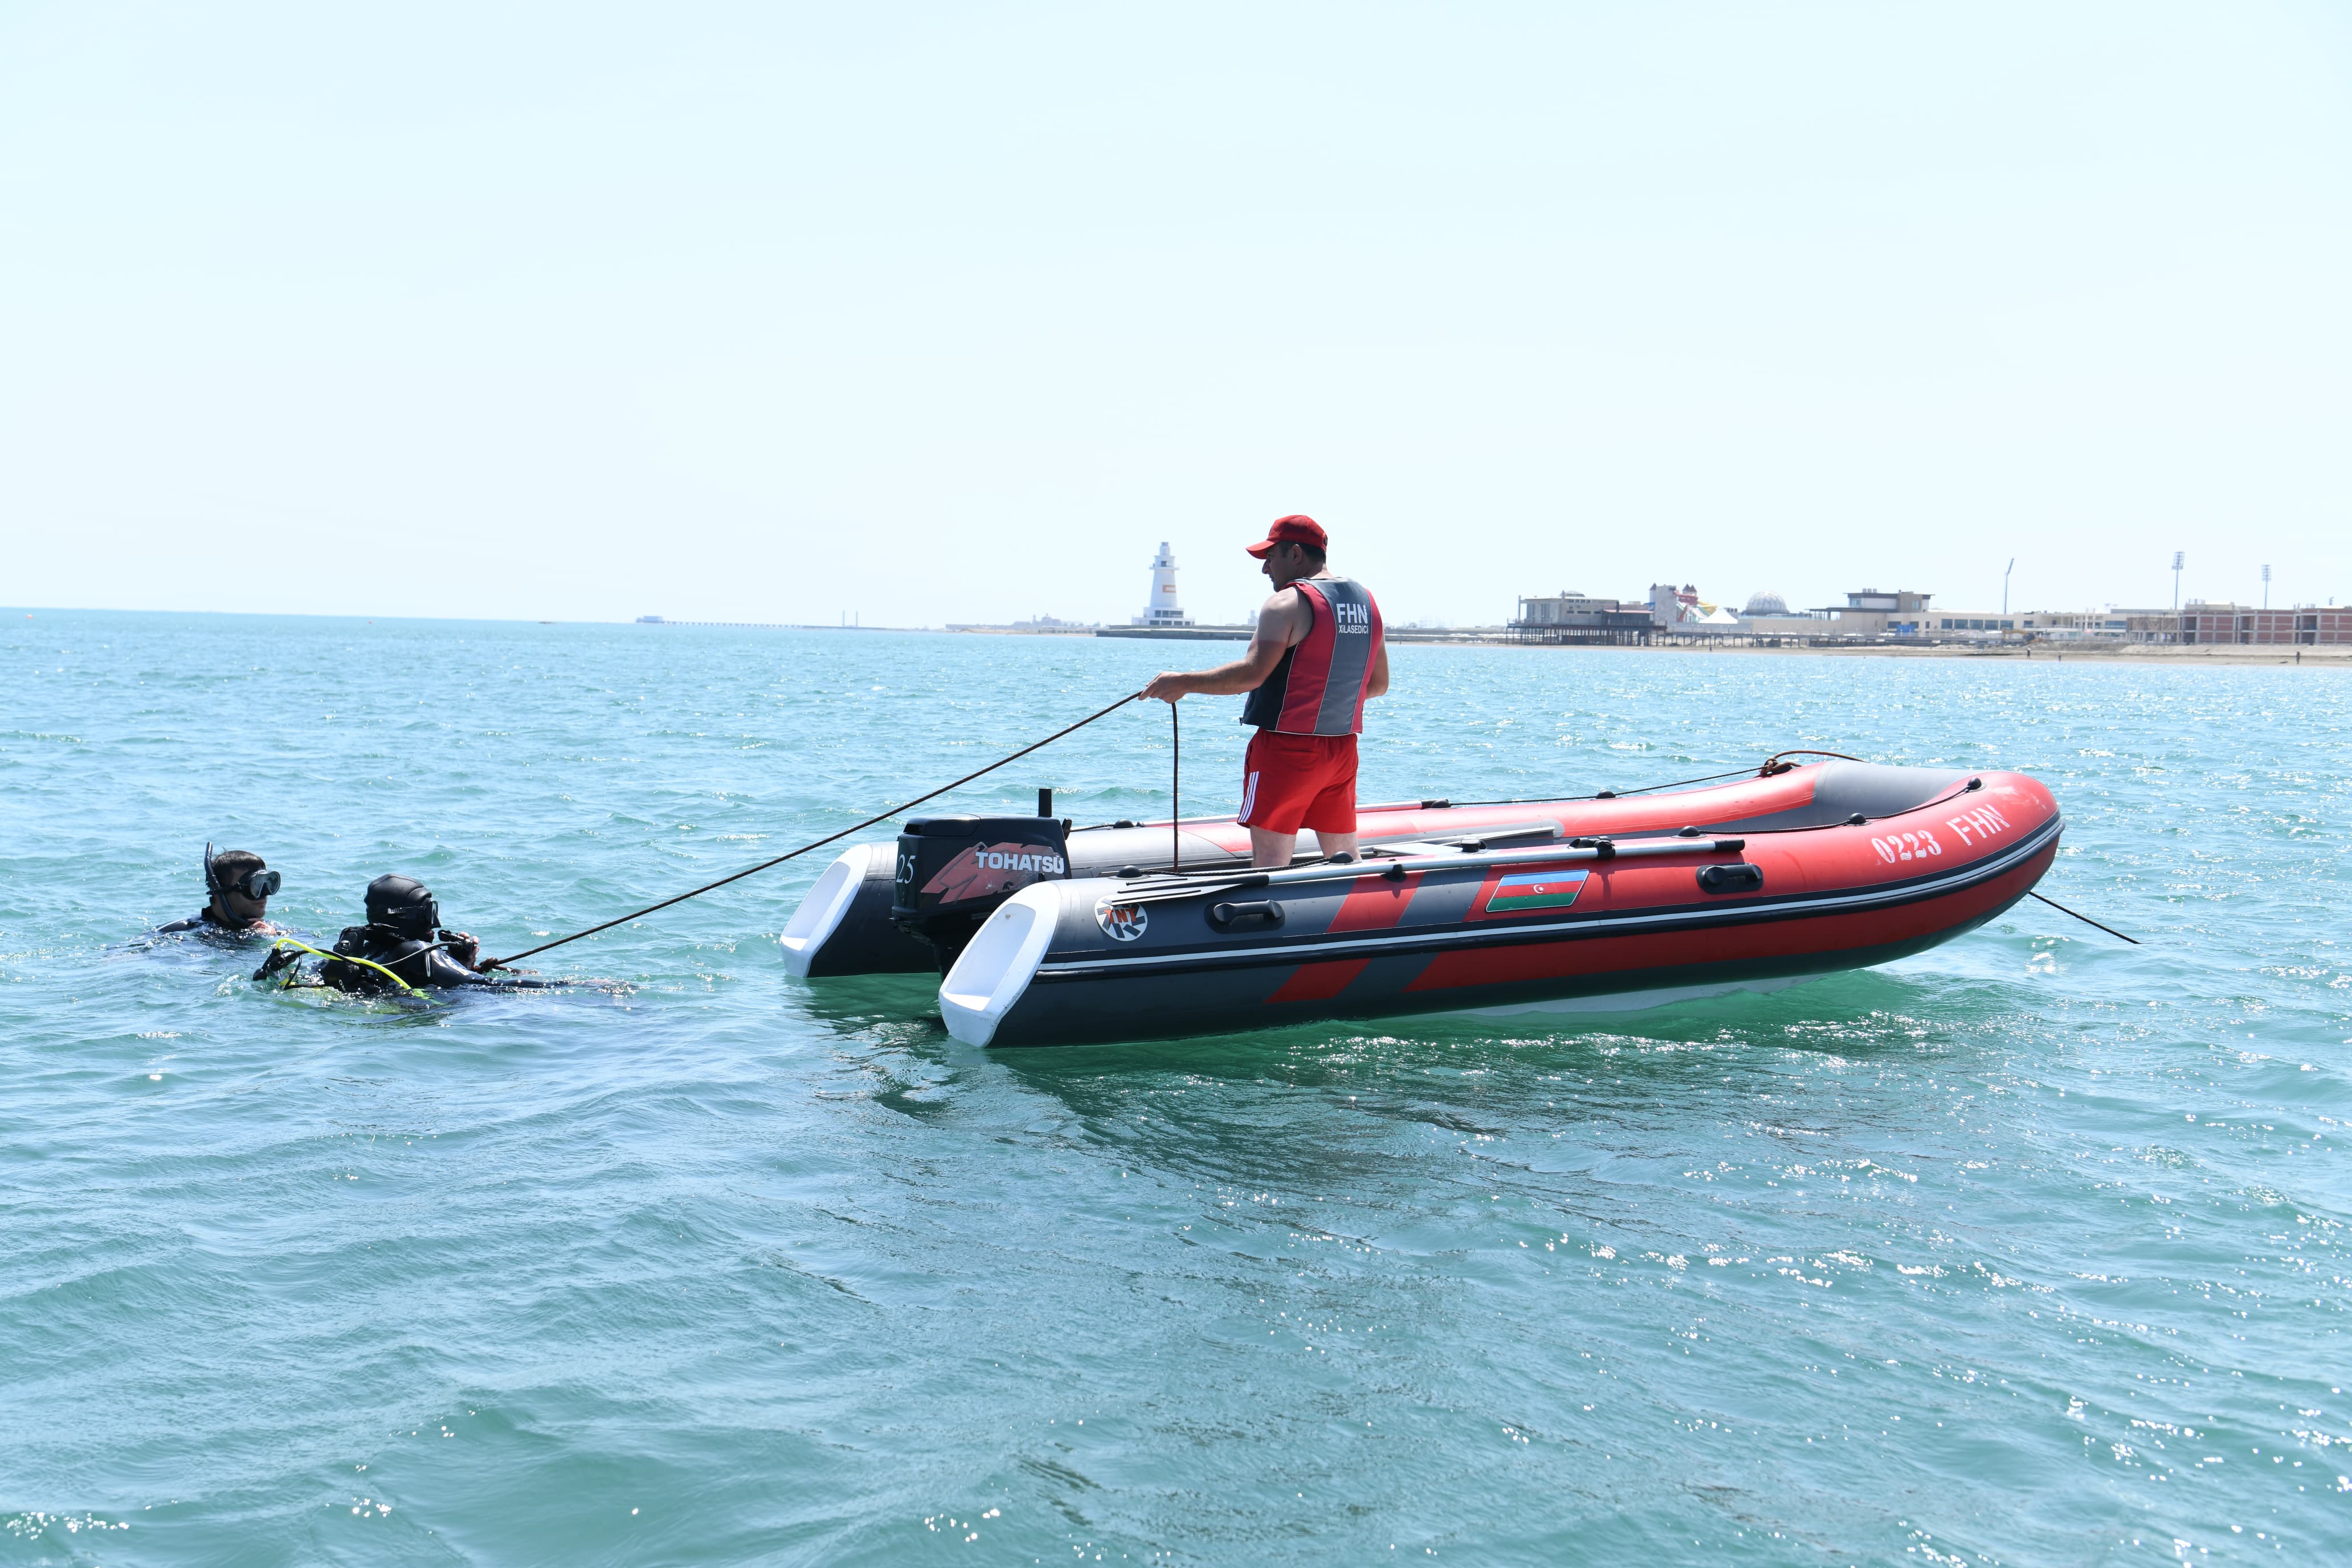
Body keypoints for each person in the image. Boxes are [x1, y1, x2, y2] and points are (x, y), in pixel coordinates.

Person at [1141, 514, 1387, 868]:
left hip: (1286, 751)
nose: (1265, 569)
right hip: (1342, 751)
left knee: (1271, 863)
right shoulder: (1367, 603)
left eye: (1270, 557)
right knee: (1345, 857)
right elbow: (1378, 685)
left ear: (1296, 554)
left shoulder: (1285, 603)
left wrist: (1183, 682)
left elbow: (1252, 674)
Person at [157, 844, 283, 935]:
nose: (265, 894)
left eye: (267, 883)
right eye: (254, 885)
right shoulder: (184, 932)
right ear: (219, 894)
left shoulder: (270, 928)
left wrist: (273, 936)